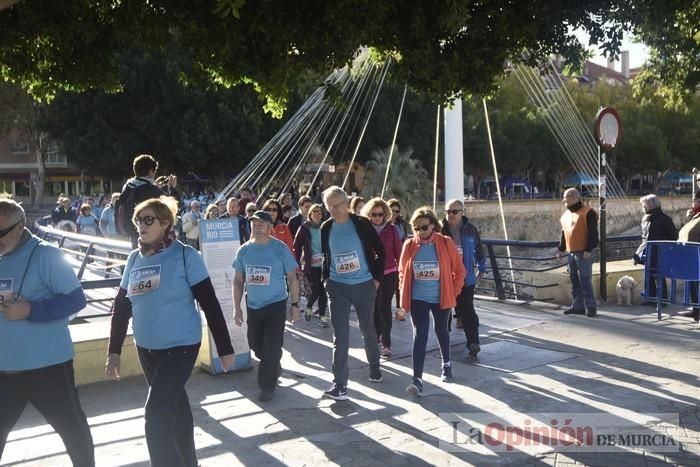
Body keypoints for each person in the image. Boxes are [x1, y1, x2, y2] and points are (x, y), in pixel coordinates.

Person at [106, 196, 234, 467]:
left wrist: (224, 347)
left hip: (181, 346)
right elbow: (121, 306)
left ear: (165, 223)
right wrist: (114, 350)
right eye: (138, 220)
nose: (141, 225)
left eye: (148, 219)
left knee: (155, 414)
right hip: (147, 348)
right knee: (175, 406)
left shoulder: (186, 255)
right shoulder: (133, 259)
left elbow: (209, 303)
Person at [0, 199, 94, 466]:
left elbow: (77, 301)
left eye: (1, 232)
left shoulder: (47, 255)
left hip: (47, 368)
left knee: (72, 429)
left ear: (20, 227)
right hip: (4, 370)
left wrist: (31, 310)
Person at [320, 186, 384, 401]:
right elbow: (325, 255)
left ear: (346, 203)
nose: (334, 210)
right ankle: (339, 384)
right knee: (340, 335)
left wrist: (376, 279)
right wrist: (326, 279)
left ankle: (374, 366)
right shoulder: (326, 227)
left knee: (367, 329)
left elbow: (380, 250)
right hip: (337, 286)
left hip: (363, 285)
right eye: (330, 207)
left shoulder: (361, 224)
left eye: (337, 205)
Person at [233, 210, 300, 401]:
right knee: (256, 345)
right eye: (254, 224)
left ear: (270, 227)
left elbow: (292, 278)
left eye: (261, 224)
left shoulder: (280, 249)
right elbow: (238, 281)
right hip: (253, 305)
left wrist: (295, 304)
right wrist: (237, 307)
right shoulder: (244, 250)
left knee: (271, 346)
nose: (257, 227)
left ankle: (266, 386)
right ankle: (273, 364)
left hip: (276, 305)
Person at [399, 206, 466, 396]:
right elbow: (403, 271)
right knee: (420, 335)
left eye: (425, 227)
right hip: (418, 297)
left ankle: (447, 363)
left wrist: (453, 292)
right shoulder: (409, 245)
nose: (421, 231)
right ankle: (417, 380)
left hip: (440, 297)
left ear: (433, 226)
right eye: (417, 228)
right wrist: (404, 293)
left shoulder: (445, 243)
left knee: (441, 330)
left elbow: (460, 272)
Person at [441, 199, 487, 357]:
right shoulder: (440, 230)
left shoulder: (471, 229)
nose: (451, 215)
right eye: (447, 212)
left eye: (454, 212)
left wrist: (482, 267)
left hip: (466, 279)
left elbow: (479, 249)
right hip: (445, 280)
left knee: (468, 310)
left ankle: (473, 342)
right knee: (444, 312)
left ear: (462, 212)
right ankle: (444, 343)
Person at [361, 198, 401, 358]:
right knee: (374, 307)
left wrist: (402, 273)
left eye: (380, 214)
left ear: (385, 214)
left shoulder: (392, 230)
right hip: (370, 274)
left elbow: (399, 251)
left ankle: (387, 343)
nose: (377, 217)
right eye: (374, 214)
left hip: (389, 273)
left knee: (384, 307)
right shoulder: (365, 230)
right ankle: (376, 335)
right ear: (369, 215)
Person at [115, 154, 179, 248]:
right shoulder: (151, 191)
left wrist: (155, 187)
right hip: (151, 240)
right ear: (150, 171)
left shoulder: (128, 187)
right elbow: (172, 208)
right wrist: (172, 189)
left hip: (135, 235)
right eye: (154, 171)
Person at [558, 188, 599, 317]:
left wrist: (588, 249)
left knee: (585, 280)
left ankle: (591, 306)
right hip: (571, 252)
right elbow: (564, 234)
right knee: (574, 280)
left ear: (575, 197)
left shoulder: (588, 212)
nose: (563, 200)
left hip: (583, 252)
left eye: (566, 197)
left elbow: (593, 233)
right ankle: (577, 306)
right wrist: (560, 249)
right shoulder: (565, 215)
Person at [633, 194, 677, 302]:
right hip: (648, 251)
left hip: (660, 252)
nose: (643, 207)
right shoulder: (646, 219)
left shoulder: (664, 219)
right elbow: (645, 238)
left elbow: (674, 236)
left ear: (652, 204)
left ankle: (662, 299)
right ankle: (651, 298)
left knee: (659, 275)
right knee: (649, 275)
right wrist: (638, 253)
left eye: (644, 205)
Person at [293, 203, 328, 327]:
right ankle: (309, 306)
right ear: (310, 214)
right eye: (315, 212)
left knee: (324, 291)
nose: (318, 214)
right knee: (315, 291)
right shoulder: (304, 228)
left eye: (320, 212)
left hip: (325, 265)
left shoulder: (326, 227)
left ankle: (323, 317)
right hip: (310, 265)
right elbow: (296, 246)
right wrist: (296, 263)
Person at [678, 192, 700, 322]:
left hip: (696, 254)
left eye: (695, 200)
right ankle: (696, 309)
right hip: (691, 257)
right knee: (693, 284)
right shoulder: (695, 215)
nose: (693, 202)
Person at [388, 198, 409, 321]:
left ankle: (399, 311)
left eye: (397, 211)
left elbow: (405, 238)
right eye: (392, 210)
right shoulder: (385, 224)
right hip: (389, 258)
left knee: (400, 284)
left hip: (401, 257)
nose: (395, 213)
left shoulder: (401, 223)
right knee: (390, 286)